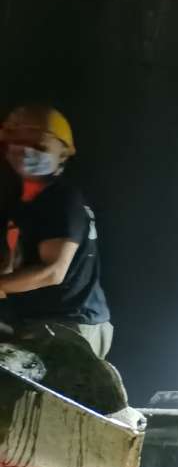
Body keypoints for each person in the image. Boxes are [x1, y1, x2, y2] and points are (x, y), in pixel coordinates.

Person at [0, 105, 112, 357]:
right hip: (41, 322)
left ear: (63, 153)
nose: (25, 151)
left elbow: (52, 272)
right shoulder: (24, 205)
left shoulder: (61, 199)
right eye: (17, 142)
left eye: (39, 146)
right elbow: (10, 270)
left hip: (68, 326)